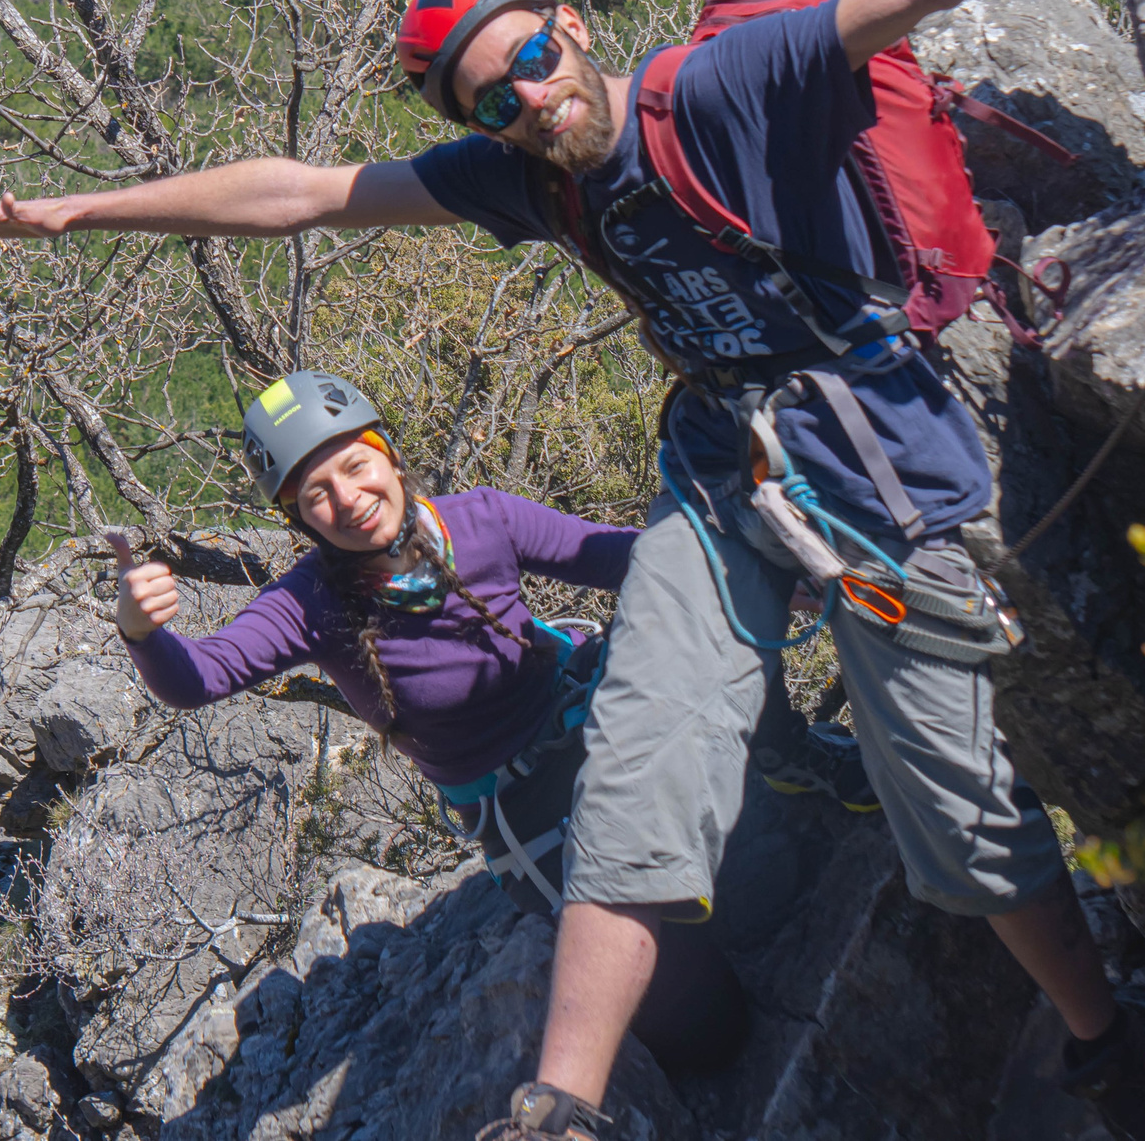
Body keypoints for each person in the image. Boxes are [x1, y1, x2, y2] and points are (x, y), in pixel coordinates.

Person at [0, 0, 1145, 1140]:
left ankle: (1105, 1032)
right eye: (492, 99)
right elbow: (302, 192)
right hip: (727, 464)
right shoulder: (525, 176)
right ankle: (559, 1109)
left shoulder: (718, 89)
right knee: (645, 751)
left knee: (952, 807)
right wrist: (72, 211)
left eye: (533, 59)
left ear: (571, 27)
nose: (529, 100)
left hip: (871, 450)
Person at [109, 367, 768, 1073]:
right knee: (707, 1029)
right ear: (300, 519)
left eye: (356, 466)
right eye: (317, 496)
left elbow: (614, 557)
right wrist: (142, 631)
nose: (349, 500)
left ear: (388, 453)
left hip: (599, 709)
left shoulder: (481, 519)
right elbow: (199, 676)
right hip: (527, 806)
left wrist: (753, 540)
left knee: (760, 844)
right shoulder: (308, 604)